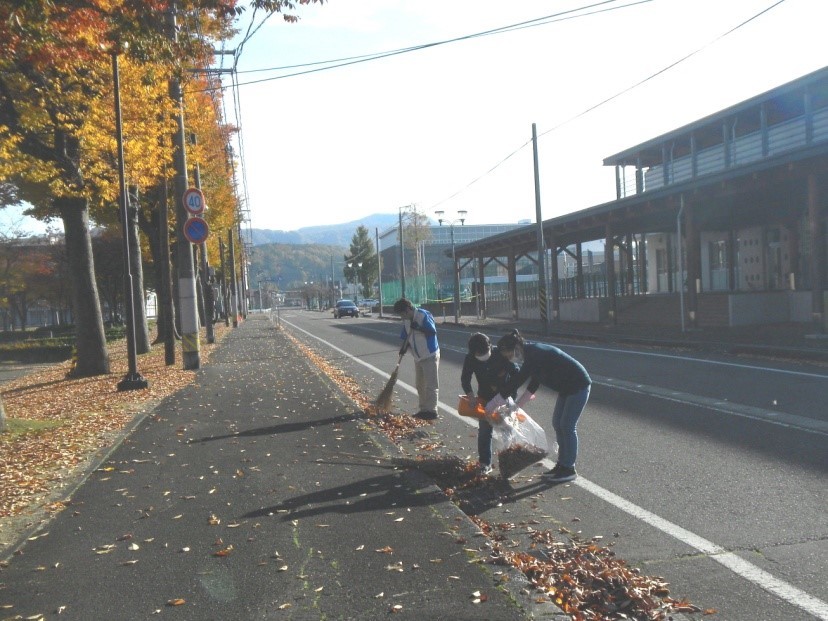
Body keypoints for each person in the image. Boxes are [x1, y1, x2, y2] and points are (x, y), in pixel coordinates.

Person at [487, 329, 591, 483]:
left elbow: (518, 381)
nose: (510, 360)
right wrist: (516, 406)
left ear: (517, 348)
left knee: (567, 426)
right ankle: (562, 464)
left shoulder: (535, 354)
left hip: (578, 385)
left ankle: (569, 468)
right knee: (558, 423)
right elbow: (534, 382)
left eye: (510, 355)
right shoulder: (531, 356)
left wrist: (494, 402)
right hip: (566, 388)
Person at [461, 333, 518, 476]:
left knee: (507, 431)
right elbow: (465, 379)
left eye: (485, 352)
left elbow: (517, 374)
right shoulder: (470, 359)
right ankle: (485, 463)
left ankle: (509, 465)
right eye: (479, 354)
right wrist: (471, 396)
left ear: (490, 347)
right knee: (485, 432)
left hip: (505, 397)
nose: (483, 356)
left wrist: (510, 397)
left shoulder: (500, 354)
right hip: (485, 398)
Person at [393, 298, 440, 420]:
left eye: (403, 314)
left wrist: (418, 327)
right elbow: (405, 336)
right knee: (420, 384)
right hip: (417, 356)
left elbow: (432, 332)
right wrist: (404, 347)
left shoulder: (423, 315)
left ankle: (432, 410)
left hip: (429, 354)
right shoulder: (407, 320)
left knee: (431, 384)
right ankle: (424, 409)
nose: (402, 317)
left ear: (408, 309)